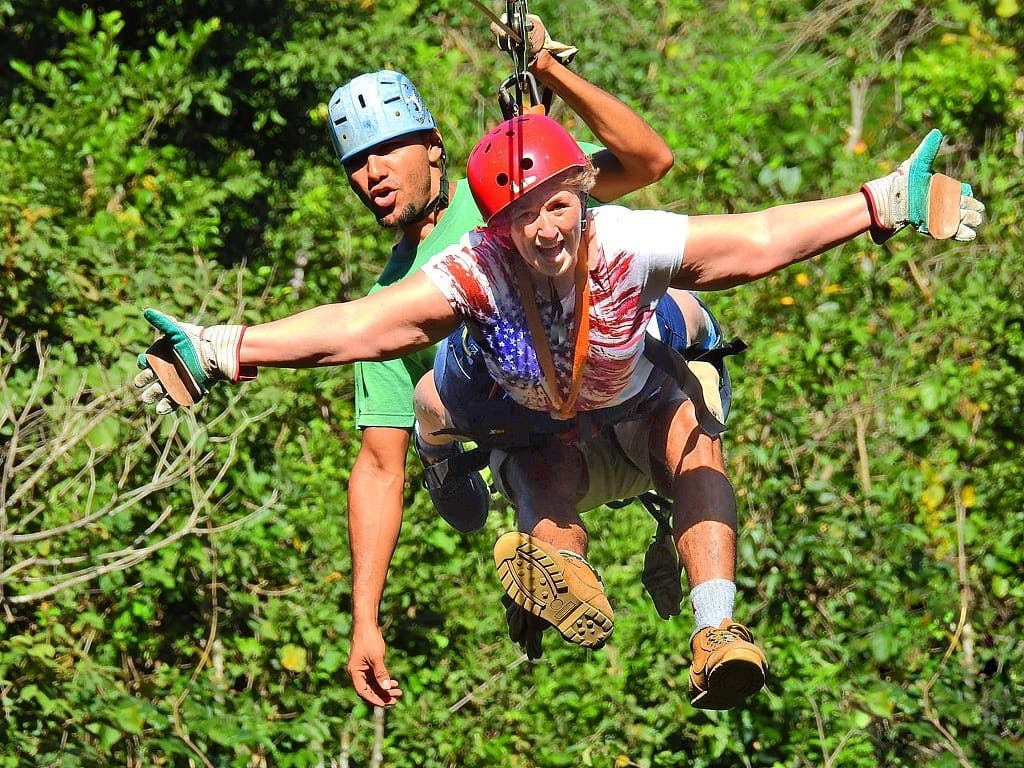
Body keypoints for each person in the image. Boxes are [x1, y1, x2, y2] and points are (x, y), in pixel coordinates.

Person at [134, 115, 984, 708]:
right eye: (519, 218)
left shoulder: (624, 240)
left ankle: (716, 630)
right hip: (519, 420)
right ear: (492, 227)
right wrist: (223, 348)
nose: (544, 232)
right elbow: (353, 329)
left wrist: (880, 203)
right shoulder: (474, 270)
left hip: (627, 401)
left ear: (582, 194)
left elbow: (756, 242)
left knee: (692, 416)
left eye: (557, 207)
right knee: (485, 427)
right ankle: (541, 553)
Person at [309, 16, 674, 706]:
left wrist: (550, 69)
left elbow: (647, 160)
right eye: (356, 162)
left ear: (435, 147)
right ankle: (449, 457)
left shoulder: (504, 198)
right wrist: (364, 620)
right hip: (536, 442)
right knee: (452, 382)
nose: (372, 173)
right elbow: (378, 467)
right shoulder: (388, 304)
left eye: (388, 149)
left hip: (614, 401)